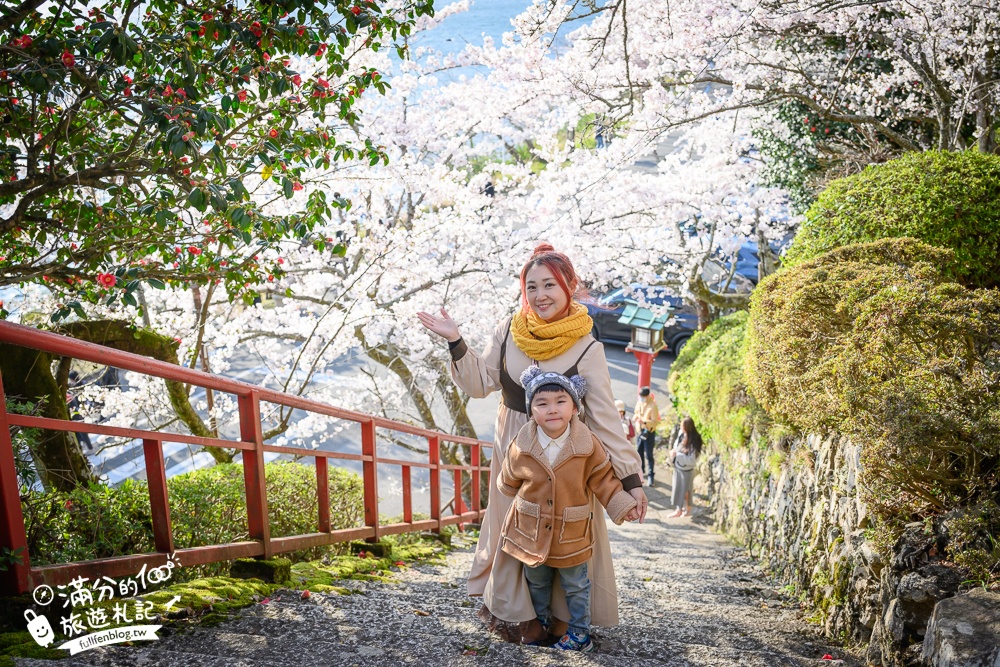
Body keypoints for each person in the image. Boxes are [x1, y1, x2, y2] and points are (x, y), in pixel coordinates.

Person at [416, 243, 648, 644]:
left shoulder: (587, 346)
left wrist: (630, 479)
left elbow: (606, 417)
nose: (540, 296)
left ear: (569, 287)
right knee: (512, 527)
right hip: (516, 446)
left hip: (570, 453)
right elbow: (478, 384)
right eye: (532, 286)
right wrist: (456, 342)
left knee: (565, 530)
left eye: (550, 286)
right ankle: (518, 615)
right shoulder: (509, 330)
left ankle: (562, 618)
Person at [499, 367, 637, 652]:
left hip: (570, 532)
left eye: (561, 401)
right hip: (531, 529)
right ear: (531, 411)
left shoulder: (586, 445)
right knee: (536, 581)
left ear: (574, 407)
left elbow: (604, 480)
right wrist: (505, 489)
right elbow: (510, 477)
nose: (552, 410)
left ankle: (579, 633)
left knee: (576, 585)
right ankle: (541, 626)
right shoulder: (521, 444)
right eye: (542, 403)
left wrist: (623, 506)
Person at [669, 416, 703, 517]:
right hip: (679, 467)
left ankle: (683, 510)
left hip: (686, 469)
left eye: (682, 426)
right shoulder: (682, 435)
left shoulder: (692, 441)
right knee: (680, 489)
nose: (681, 427)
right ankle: (682, 509)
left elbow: (691, 460)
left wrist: (677, 455)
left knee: (684, 490)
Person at [634, 387, 660, 486]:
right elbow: (636, 412)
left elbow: (654, 422)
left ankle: (651, 475)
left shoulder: (653, 406)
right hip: (640, 432)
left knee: (649, 455)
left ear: (647, 396)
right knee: (639, 453)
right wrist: (636, 417)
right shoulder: (639, 403)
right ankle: (641, 471)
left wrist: (644, 422)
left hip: (649, 433)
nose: (641, 398)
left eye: (642, 396)